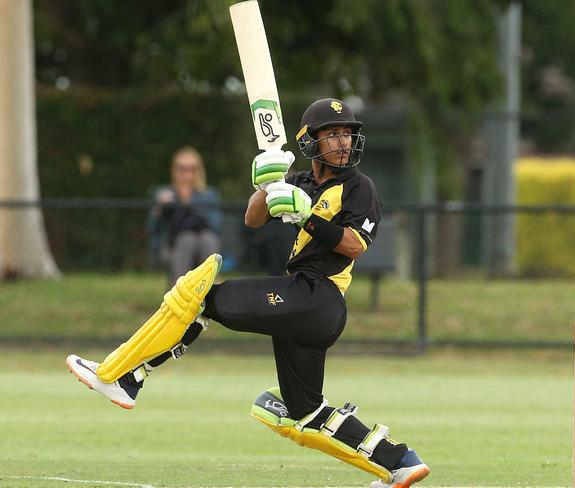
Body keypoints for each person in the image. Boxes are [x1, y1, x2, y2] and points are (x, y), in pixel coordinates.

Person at [66, 99, 429, 488]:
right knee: (302, 413)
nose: (343, 142)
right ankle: (400, 462)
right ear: (310, 142)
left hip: (316, 297)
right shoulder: (302, 181)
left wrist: (308, 217)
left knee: (200, 299)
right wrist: (267, 184)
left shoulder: (360, 187)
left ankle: (126, 375)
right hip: (305, 308)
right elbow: (253, 217)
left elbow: (354, 246)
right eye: (333, 134)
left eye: (347, 134)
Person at [147, 146, 222, 287]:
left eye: (192, 169)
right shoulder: (164, 194)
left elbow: (216, 226)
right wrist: (159, 209)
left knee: (207, 239)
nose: (187, 175)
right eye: (182, 169)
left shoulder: (209, 195)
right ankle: (178, 293)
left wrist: (189, 202)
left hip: (204, 243)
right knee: (186, 240)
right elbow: (152, 229)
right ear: (173, 170)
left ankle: (210, 291)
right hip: (171, 245)